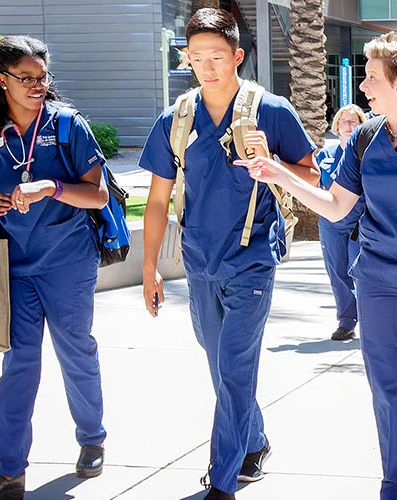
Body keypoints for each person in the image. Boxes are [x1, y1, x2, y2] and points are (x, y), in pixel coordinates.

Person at [235, 30, 397, 500]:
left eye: (372, 77)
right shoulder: (365, 140)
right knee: (388, 386)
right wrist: (277, 173)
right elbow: (336, 206)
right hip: (378, 279)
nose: (364, 87)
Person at [137, 9, 318, 500]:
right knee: (220, 364)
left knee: (235, 368)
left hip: (252, 258)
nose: (207, 67)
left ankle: (222, 478)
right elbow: (157, 201)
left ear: (237, 56)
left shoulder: (272, 111)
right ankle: (254, 440)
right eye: (196, 58)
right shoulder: (177, 119)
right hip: (199, 262)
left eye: (216, 56)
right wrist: (150, 268)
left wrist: (273, 164)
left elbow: (314, 179)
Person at [0, 36, 110, 500]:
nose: (38, 85)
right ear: (2, 81)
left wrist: (50, 187)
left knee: (75, 351)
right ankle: (8, 472)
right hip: (14, 264)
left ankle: (92, 438)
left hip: (68, 261)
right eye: (26, 78)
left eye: (43, 77)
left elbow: (99, 195)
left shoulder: (68, 126)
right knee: (18, 364)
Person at [315, 104, 367, 341]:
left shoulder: (367, 153)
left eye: (353, 122)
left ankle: (368, 319)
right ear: (336, 126)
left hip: (360, 222)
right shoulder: (325, 155)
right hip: (331, 223)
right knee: (337, 273)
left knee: (361, 271)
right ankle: (346, 321)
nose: (348, 126)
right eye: (344, 122)